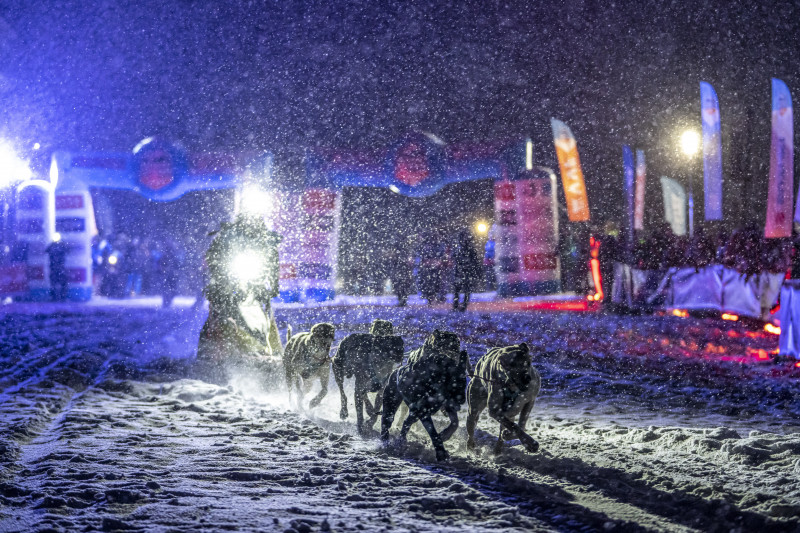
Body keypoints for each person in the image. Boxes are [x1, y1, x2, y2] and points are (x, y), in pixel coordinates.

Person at [451, 228, 482, 312]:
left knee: (465, 290)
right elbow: (454, 257)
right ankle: (456, 306)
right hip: (461, 271)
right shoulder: (459, 247)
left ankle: (462, 306)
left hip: (466, 271)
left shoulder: (468, 248)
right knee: (458, 290)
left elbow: (475, 260)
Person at [46, 235, 70, 301]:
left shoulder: (59, 245)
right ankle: (57, 297)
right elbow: (46, 250)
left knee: (58, 283)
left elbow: (68, 250)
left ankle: (60, 297)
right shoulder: (54, 245)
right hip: (57, 268)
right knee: (55, 283)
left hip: (58, 268)